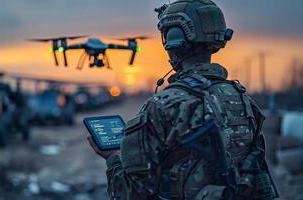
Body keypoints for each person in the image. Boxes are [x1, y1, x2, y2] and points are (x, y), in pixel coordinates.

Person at [88, 0, 278, 199]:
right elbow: (260, 178)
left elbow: (131, 193)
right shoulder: (244, 100)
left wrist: (112, 158)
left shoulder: (161, 106)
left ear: (173, 40)